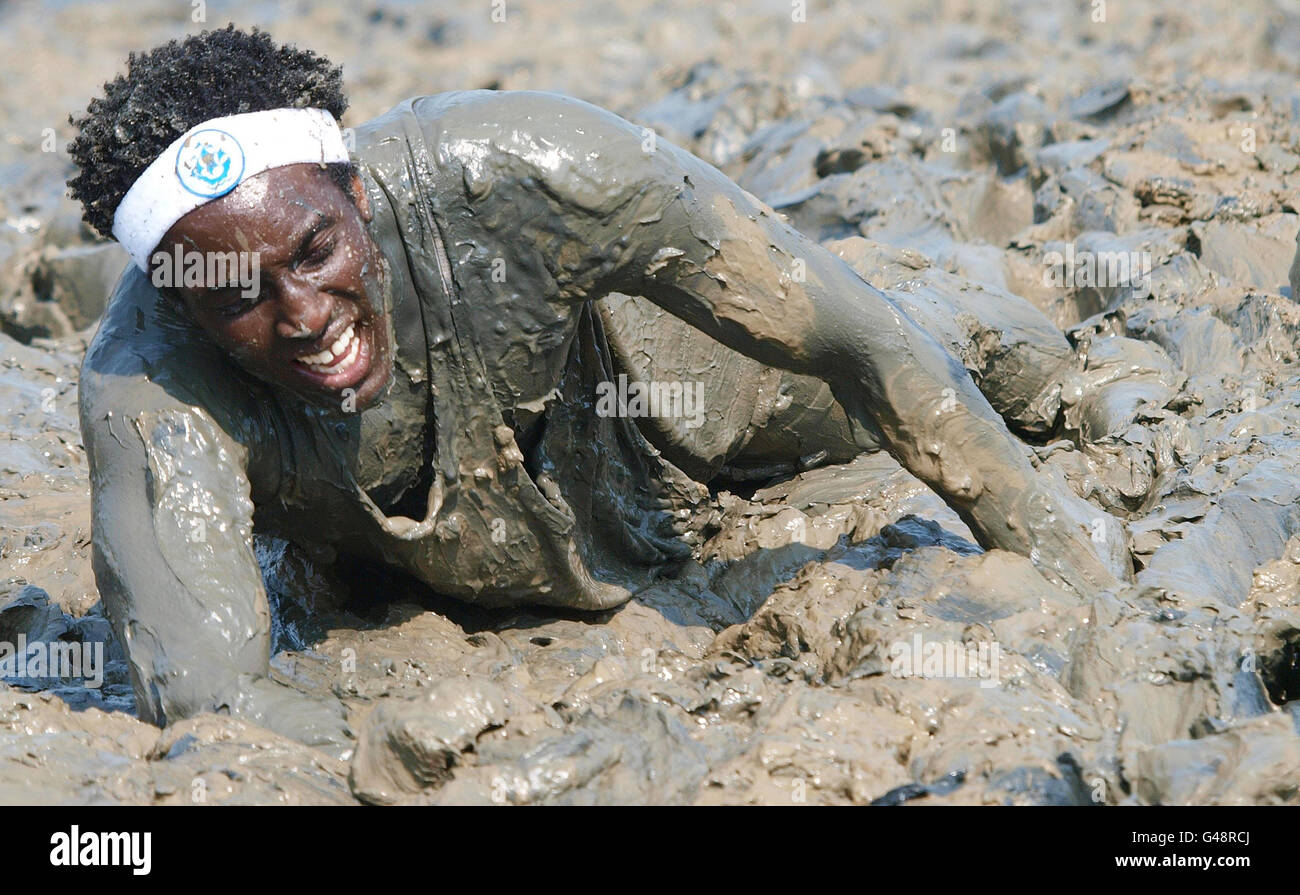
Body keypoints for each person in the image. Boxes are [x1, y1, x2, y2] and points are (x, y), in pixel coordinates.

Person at [68, 26, 1129, 751]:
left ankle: (997, 271)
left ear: (354, 188)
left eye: (315, 249)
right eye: (235, 299)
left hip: (663, 403)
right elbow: (205, 697)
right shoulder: (144, 381)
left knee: (1007, 350)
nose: (302, 315)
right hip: (449, 547)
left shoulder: (523, 166)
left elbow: (847, 329)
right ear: (172, 295)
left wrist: (1055, 551)